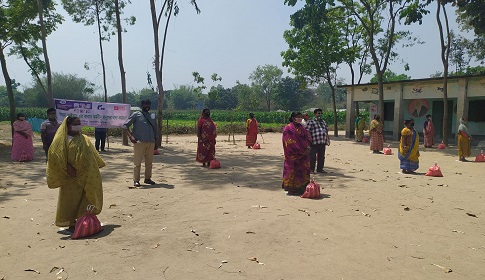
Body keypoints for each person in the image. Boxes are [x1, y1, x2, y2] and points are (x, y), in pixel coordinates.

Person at [46, 116, 105, 230]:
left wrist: (94, 168)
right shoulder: (61, 140)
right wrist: (67, 167)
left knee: (86, 197)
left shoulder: (84, 138)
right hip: (70, 176)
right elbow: (54, 155)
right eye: (75, 123)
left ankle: (83, 220)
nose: (79, 125)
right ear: (68, 126)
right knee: (70, 200)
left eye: (79, 123)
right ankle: (71, 223)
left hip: (87, 175)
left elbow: (92, 155)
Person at [123, 100, 158, 187]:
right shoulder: (136, 114)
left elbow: (156, 129)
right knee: (137, 162)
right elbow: (125, 126)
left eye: (149, 105)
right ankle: (136, 180)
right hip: (139, 142)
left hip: (151, 142)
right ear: (142, 105)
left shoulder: (152, 116)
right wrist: (130, 137)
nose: (147, 106)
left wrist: (156, 141)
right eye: (145, 105)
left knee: (149, 163)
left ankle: (147, 178)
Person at [282, 112, 311, 195]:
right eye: (298, 117)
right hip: (292, 155)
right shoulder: (288, 128)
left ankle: (302, 188)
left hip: (304, 155)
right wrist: (300, 152)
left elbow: (307, 139)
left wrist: (307, 148)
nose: (300, 118)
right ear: (293, 118)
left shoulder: (302, 128)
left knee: (303, 170)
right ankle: (291, 188)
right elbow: (288, 142)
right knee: (292, 170)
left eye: (301, 117)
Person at [306, 108, 330, 173]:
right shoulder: (311, 121)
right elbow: (307, 131)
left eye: (321, 113)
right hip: (314, 142)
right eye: (318, 113)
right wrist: (309, 139)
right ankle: (311, 169)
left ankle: (320, 169)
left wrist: (328, 139)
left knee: (321, 157)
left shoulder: (323, 122)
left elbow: (326, 131)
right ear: (315, 114)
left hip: (322, 142)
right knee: (312, 156)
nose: (320, 114)